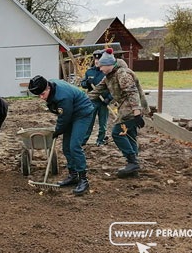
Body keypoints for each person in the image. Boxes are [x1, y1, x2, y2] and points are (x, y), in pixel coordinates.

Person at [28, 75, 94, 195]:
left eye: (42, 94)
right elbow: (63, 116)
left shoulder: (63, 97)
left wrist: (57, 130)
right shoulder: (50, 87)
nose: (41, 98)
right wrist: (59, 129)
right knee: (66, 147)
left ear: (48, 88)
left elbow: (64, 118)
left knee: (74, 146)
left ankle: (83, 179)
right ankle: (73, 175)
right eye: (38, 95)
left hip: (82, 113)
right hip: (70, 113)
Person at [88, 48, 149, 178]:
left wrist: (137, 113)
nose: (100, 69)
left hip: (131, 109)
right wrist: (81, 100)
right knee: (130, 135)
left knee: (118, 133)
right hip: (126, 109)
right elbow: (97, 91)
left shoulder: (122, 74)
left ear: (109, 64)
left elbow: (132, 92)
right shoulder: (109, 76)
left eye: (102, 66)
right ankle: (133, 165)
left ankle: (132, 162)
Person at [80, 49, 112, 147]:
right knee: (89, 122)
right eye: (95, 60)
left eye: (99, 59)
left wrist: (109, 98)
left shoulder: (106, 72)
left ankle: (100, 140)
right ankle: (84, 140)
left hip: (104, 101)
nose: (97, 62)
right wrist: (87, 83)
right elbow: (82, 84)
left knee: (103, 123)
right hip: (92, 101)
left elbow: (112, 87)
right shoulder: (89, 72)